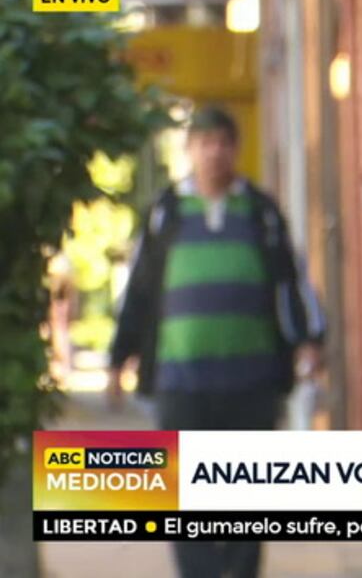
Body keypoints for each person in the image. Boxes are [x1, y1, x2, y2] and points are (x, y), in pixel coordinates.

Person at [108, 105, 325, 578]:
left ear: (236, 149)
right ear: (190, 150)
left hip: (251, 383)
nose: (215, 152)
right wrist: (118, 359)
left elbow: (291, 281)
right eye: (205, 143)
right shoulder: (165, 212)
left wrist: (308, 341)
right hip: (180, 383)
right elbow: (140, 290)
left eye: (224, 142)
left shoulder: (261, 212)